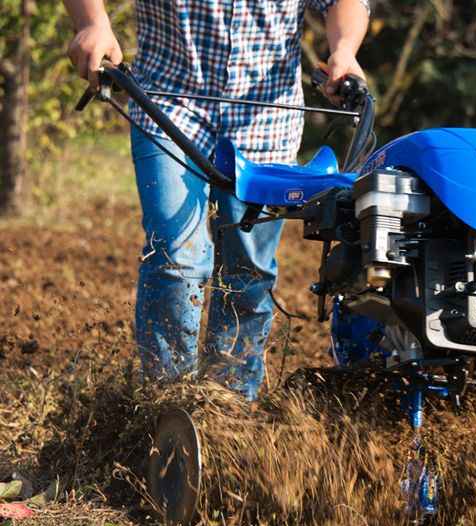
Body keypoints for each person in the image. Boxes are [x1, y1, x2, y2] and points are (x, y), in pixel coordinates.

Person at [62, 0, 370, 400]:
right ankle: (165, 402)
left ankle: (230, 407)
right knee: (177, 256)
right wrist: (93, 23)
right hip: (171, 104)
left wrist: (344, 50)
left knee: (249, 272)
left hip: (266, 119)